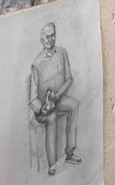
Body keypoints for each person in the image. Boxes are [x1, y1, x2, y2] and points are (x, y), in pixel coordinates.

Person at [29, 22, 81, 176]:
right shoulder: (36, 64)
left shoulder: (63, 53)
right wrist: (42, 108)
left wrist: (57, 95)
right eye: (47, 37)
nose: (50, 40)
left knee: (74, 104)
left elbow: (69, 79)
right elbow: (32, 99)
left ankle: (70, 152)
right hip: (43, 109)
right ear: (41, 40)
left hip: (58, 99)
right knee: (51, 117)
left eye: (53, 36)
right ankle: (52, 164)